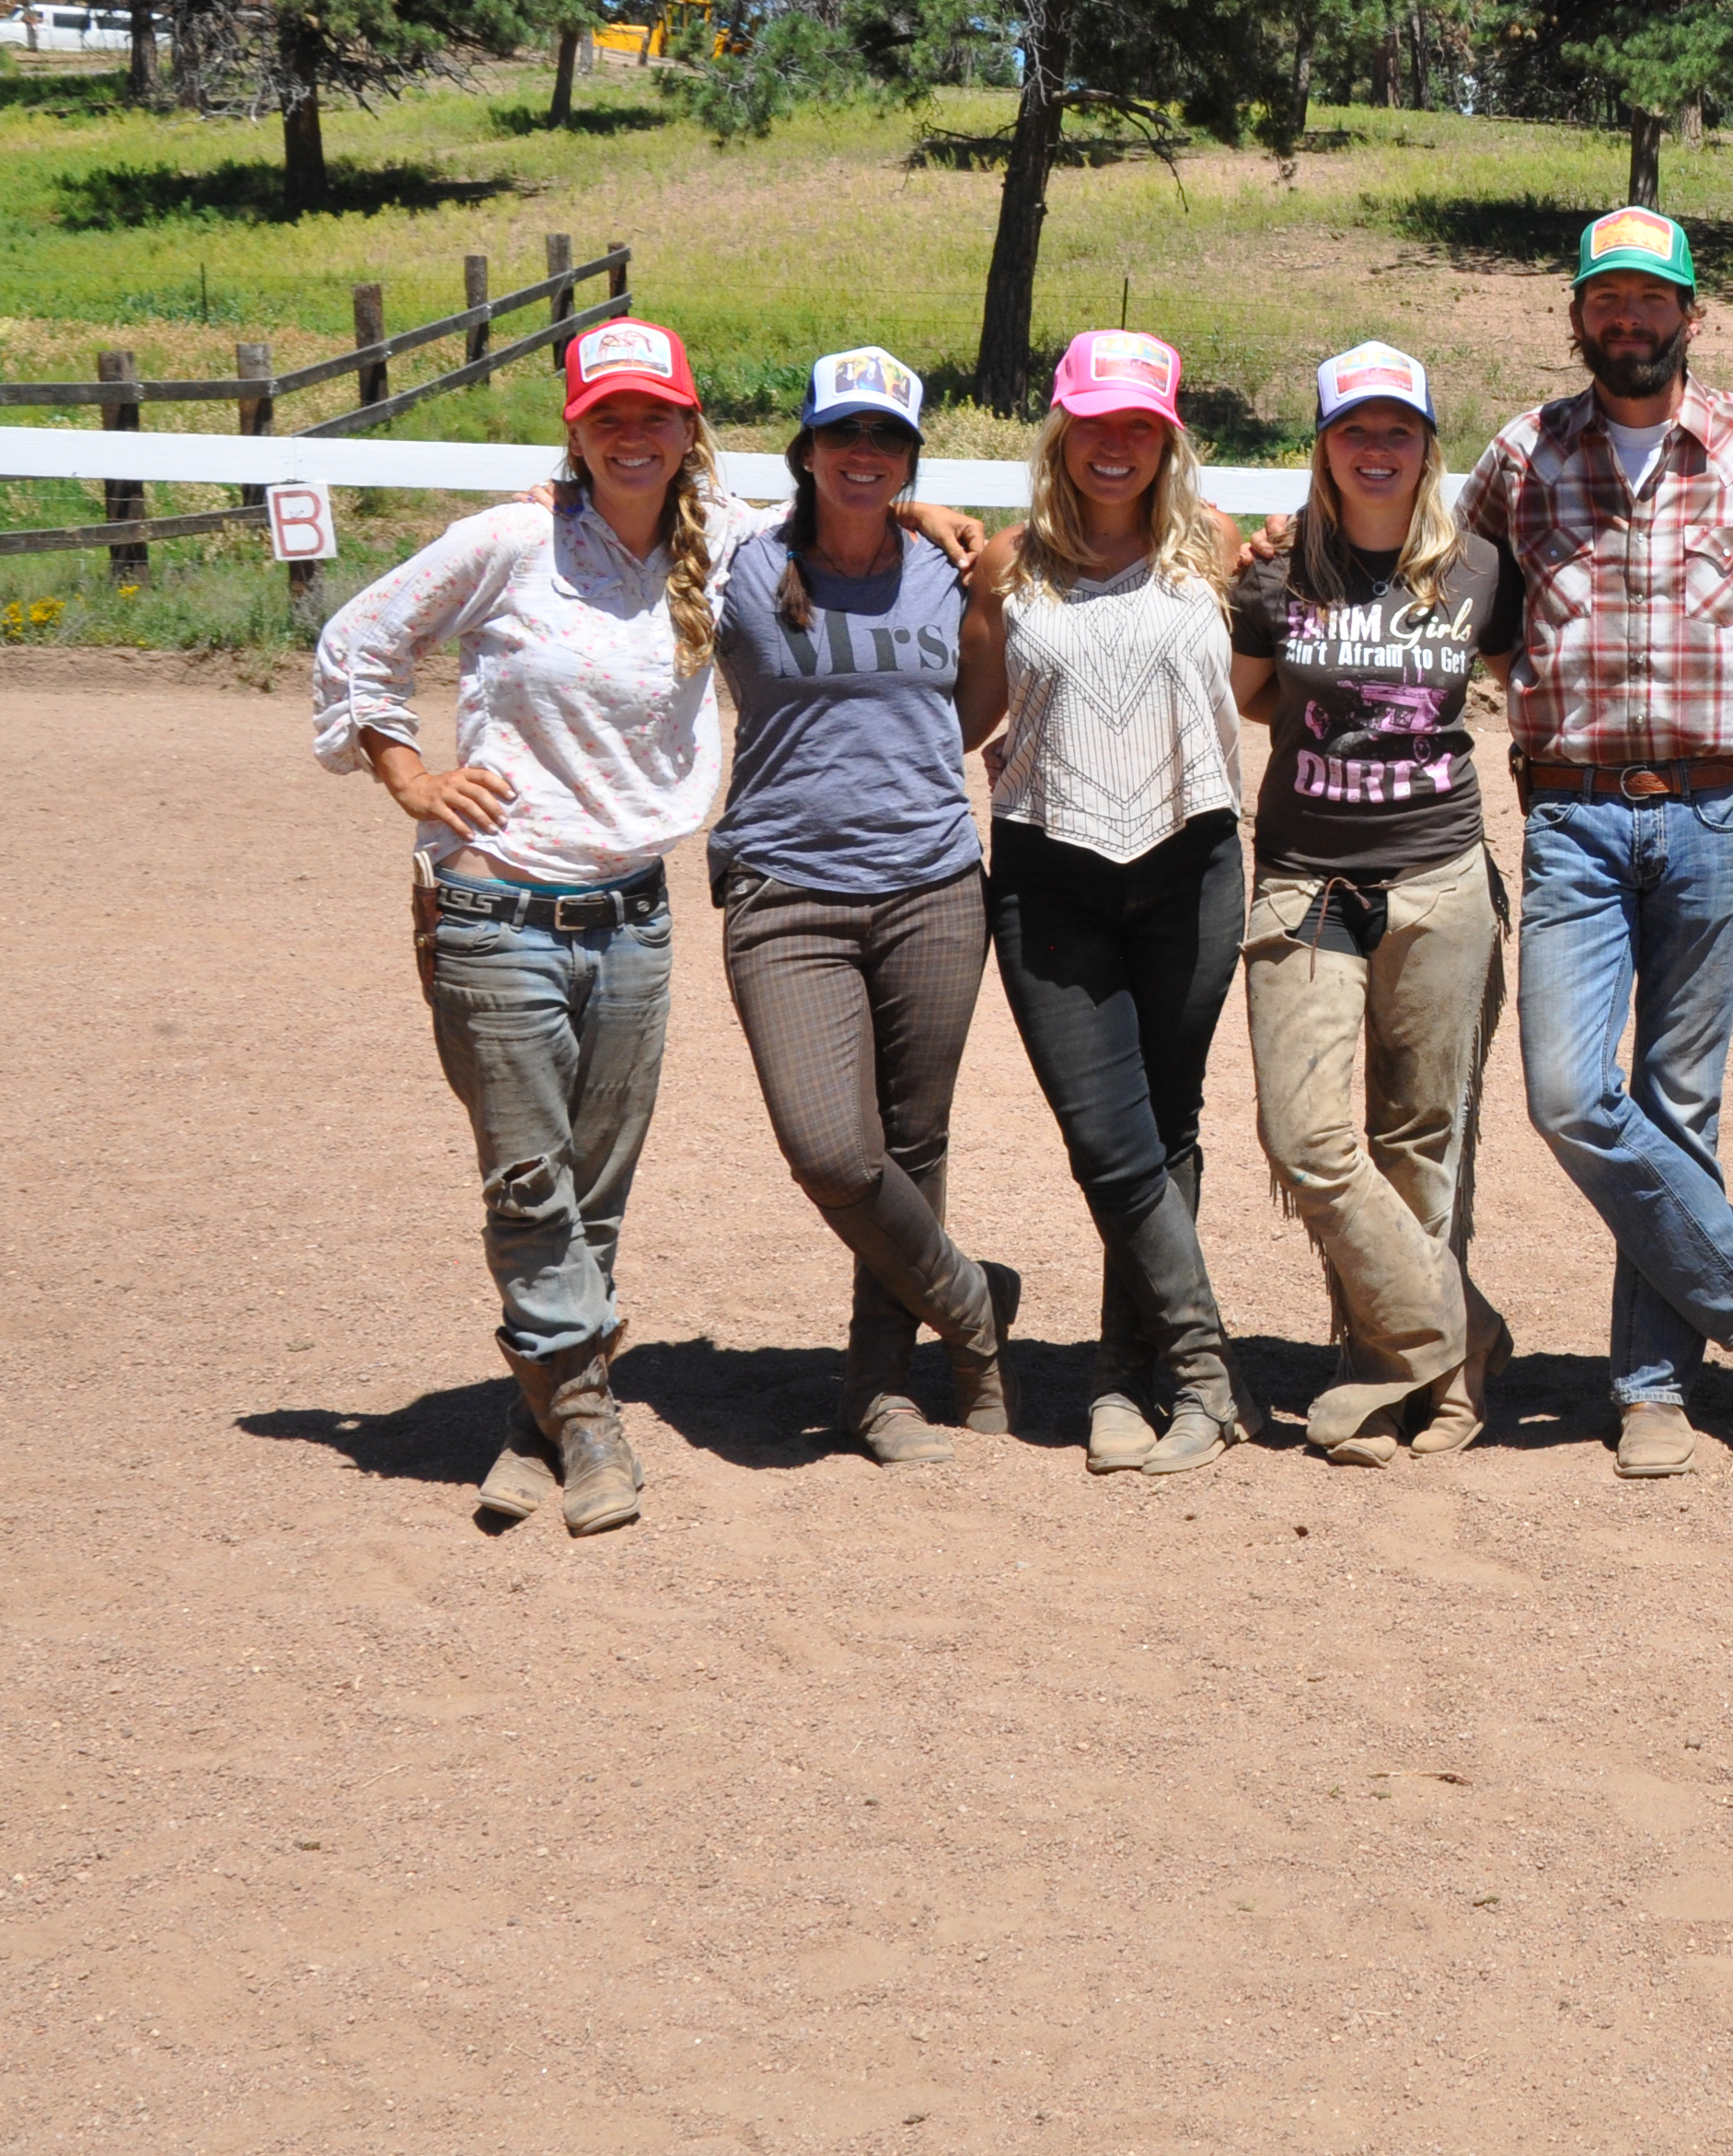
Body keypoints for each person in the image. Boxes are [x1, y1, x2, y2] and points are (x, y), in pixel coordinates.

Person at [311, 319, 971, 1534]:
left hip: (630, 911)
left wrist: (925, 520)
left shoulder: (720, 543)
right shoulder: (512, 538)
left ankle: (539, 1418)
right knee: (528, 1182)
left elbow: (849, 520)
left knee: (592, 1197)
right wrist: (409, 777)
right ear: (575, 425)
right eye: (608, 412)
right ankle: (592, 1427)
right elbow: (360, 636)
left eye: (654, 413)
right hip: (494, 904)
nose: (633, 432)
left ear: (689, 429)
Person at [1457, 206, 1733, 1478]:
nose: (1626, 320)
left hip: (1716, 805)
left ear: (1694, 312)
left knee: (1680, 1100)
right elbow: (1459, 600)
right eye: (1605, 300)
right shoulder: (1521, 454)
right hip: (1572, 807)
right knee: (1571, 1095)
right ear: (1576, 315)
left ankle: (1649, 1388)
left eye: (1651, 299)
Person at [955, 329, 1254, 1478]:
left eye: (1140, 425)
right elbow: (968, 714)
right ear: (1060, 430)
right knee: (1107, 1138)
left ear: (1169, 436)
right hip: (1050, 872)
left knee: (1166, 1127)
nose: (1116, 445)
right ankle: (1202, 1365)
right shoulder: (1005, 565)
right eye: (1096, 422)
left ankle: (1126, 1385)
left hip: (1192, 863)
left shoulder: (1216, 551)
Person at [713, 346, 1016, 1469]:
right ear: (805, 446)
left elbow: (979, 698)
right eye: (843, 434)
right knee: (833, 1149)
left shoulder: (953, 567)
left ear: (911, 456)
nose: (864, 454)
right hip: (785, 890)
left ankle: (880, 1389)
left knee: (913, 1140)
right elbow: (641, 489)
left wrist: (938, 513)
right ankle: (971, 1303)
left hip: (933, 885)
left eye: (887, 440)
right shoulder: (741, 561)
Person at [1230, 342, 1519, 1467]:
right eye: (1356, 428)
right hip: (1305, 878)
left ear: (1428, 444)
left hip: (1440, 875)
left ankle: (1383, 1373)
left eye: (1399, 428)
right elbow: (1255, 695)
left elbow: (1513, 677)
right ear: (1324, 445)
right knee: (1305, 1141)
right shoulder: (1275, 571)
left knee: (1422, 1140)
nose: (1378, 448)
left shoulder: (1481, 567)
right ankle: (1458, 1333)